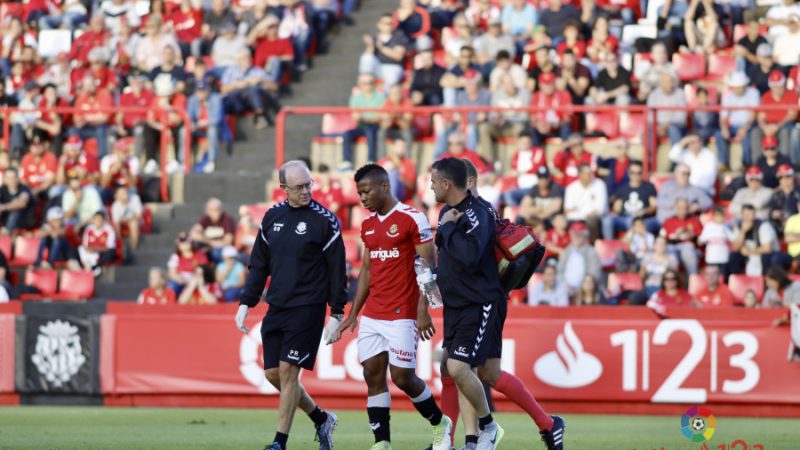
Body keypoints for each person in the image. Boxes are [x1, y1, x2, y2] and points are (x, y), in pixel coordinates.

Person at [334, 164, 452, 450]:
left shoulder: (413, 218)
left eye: (366, 191)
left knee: (402, 377)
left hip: (404, 312)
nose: (362, 198)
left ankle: (440, 424)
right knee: (372, 374)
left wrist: (423, 310)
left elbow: (427, 266)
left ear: (385, 187)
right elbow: (367, 270)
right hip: (373, 312)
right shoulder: (368, 224)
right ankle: (382, 442)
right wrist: (353, 314)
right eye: (359, 193)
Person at [234, 160, 345, 450]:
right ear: (283, 188)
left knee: (288, 372)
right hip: (277, 307)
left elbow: (337, 271)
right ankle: (321, 419)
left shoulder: (326, 220)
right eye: (299, 187)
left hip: (308, 307)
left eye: (309, 184)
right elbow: (259, 265)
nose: (307, 190)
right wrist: (246, 302)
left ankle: (278, 443)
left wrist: (336, 312)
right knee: (273, 374)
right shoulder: (271, 217)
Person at [427, 157, 505, 448]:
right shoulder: (448, 211)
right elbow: (447, 255)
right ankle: (471, 440)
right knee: (458, 371)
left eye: (434, 181)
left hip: (478, 301)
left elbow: (471, 257)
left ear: (447, 183)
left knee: (459, 367)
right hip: (456, 303)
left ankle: (488, 425)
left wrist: (446, 230)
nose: (431, 186)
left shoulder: (479, 213)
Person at [602, 161, 658, 239]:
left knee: (632, 221)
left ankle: (632, 246)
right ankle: (610, 245)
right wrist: (615, 210)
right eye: (633, 172)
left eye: (638, 173)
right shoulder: (622, 188)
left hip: (642, 219)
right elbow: (617, 208)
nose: (635, 175)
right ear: (628, 173)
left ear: (642, 173)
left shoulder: (649, 187)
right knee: (607, 220)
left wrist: (644, 211)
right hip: (624, 218)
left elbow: (654, 207)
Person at [716, 72, 759, 168]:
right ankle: (724, 163)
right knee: (719, 134)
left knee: (748, 135)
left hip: (748, 125)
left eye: (740, 86)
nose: (738, 88)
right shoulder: (728, 96)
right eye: (736, 86)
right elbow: (723, 116)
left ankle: (746, 163)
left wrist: (745, 128)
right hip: (733, 126)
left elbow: (753, 114)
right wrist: (724, 128)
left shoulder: (753, 93)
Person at [343, 74, 386, 164]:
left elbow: (381, 117)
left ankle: (371, 160)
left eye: (370, 83)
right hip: (361, 126)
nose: (368, 85)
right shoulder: (355, 98)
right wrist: (371, 118)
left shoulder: (381, 97)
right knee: (347, 134)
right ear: (360, 84)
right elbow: (356, 117)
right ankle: (346, 162)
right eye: (365, 83)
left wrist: (364, 118)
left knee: (370, 132)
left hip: (375, 126)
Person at [729, 204, 780, 276]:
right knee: (734, 256)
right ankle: (735, 280)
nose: (750, 217)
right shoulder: (739, 226)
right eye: (747, 215)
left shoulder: (763, 226)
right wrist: (743, 232)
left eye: (752, 214)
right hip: (750, 255)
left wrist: (750, 252)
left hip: (766, 255)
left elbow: (768, 248)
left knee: (766, 257)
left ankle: (765, 281)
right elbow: (735, 248)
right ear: (742, 214)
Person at [563, 164, 607, 241]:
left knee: (592, 221)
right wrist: (585, 214)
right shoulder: (571, 188)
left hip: (595, 218)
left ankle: (593, 245)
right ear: (580, 175)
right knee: (562, 222)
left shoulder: (599, 184)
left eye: (591, 172)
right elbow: (567, 209)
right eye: (587, 173)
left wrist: (577, 211)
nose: (591, 175)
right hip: (576, 218)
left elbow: (600, 209)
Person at [557, 221, 602, 296]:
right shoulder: (566, 251)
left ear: (585, 236)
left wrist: (580, 288)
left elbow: (594, 274)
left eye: (580, 235)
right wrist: (564, 285)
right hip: (564, 289)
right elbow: (559, 271)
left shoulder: (591, 252)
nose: (577, 237)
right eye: (575, 234)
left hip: (584, 291)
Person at [660, 197, 702, 275]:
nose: (682, 210)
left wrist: (692, 236)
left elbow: (701, 241)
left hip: (690, 248)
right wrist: (675, 236)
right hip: (673, 246)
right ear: (675, 208)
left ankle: (692, 278)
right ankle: (672, 279)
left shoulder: (694, 220)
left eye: (685, 208)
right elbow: (663, 238)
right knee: (670, 252)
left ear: (688, 208)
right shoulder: (669, 221)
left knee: (688, 248)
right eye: (680, 208)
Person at [190, 197, 235, 263]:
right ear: (207, 210)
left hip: (222, 249)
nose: (214, 212)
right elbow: (193, 234)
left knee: (216, 253)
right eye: (211, 210)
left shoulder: (227, 219)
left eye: (217, 209)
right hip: (209, 245)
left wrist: (210, 244)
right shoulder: (206, 218)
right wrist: (210, 243)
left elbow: (228, 241)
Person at [78, 211, 117, 277]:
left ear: (103, 221)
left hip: (101, 252)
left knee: (110, 253)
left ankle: (95, 267)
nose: (97, 222)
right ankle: (88, 267)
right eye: (95, 219)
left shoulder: (109, 230)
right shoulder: (89, 229)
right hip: (90, 252)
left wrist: (96, 249)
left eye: (99, 220)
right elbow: (85, 244)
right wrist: (90, 249)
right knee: (80, 249)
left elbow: (110, 247)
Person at [697, 206, 735, 272]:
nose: (720, 218)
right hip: (712, 258)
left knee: (722, 276)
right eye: (717, 216)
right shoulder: (709, 226)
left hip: (723, 258)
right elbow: (701, 240)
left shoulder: (726, 227)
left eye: (721, 216)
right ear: (713, 217)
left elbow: (733, 239)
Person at [0, 168, 36, 236]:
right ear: (5, 179)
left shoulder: (23, 188)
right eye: (8, 177)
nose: (11, 180)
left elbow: (22, 203)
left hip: (23, 221)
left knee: (15, 212)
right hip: (6, 220)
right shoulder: (3, 189)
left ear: (17, 178)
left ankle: (7, 234)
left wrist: (4, 207)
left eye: (13, 177)